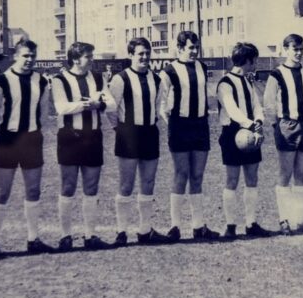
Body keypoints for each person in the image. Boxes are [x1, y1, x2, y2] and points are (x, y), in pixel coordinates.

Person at [0, 39, 54, 257]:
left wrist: (34, 131)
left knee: (33, 190)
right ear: (16, 56)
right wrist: (2, 133)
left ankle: (33, 239)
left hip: (31, 138)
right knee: (2, 191)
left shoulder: (41, 81)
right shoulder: (2, 81)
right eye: (25, 55)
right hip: (7, 139)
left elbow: (44, 112)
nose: (29, 59)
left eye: (32, 55)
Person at [104, 37, 172, 245]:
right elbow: (111, 109)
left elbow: (159, 106)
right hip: (128, 134)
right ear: (131, 55)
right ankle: (121, 231)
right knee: (126, 184)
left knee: (148, 182)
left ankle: (145, 230)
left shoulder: (156, 79)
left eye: (147, 53)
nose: (144, 57)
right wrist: (119, 129)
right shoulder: (121, 78)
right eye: (140, 53)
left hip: (149, 133)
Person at [158, 31, 219, 241]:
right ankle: (175, 226)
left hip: (200, 125)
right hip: (180, 126)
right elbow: (161, 103)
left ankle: (198, 226)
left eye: (196, 47)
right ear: (180, 48)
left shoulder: (202, 67)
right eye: (190, 47)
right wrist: (173, 123)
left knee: (197, 176)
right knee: (181, 174)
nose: (194, 51)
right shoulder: (169, 71)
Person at [263, 34, 303, 235]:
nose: (298, 53)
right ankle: (284, 219)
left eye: (301, 49)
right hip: (286, 125)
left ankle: (300, 219)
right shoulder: (277, 74)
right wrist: (277, 125)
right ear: (286, 49)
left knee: (301, 174)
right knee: (285, 173)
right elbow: (269, 103)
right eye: (294, 49)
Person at [53, 42, 111, 250]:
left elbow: (111, 104)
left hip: (93, 137)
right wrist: (87, 104)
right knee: (68, 187)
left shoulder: (98, 78)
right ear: (76, 59)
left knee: (91, 187)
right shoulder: (60, 80)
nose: (92, 60)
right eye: (88, 56)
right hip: (70, 138)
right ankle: (65, 236)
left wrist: (99, 104)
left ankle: (90, 235)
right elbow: (61, 108)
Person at [217, 42, 271, 239]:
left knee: (252, 178)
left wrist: (258, 121)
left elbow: (257, 105)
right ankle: (230, 226)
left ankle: (251, 223)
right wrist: (250, 124)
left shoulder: (248, 81)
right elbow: (232, 110)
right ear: (247, 60)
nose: (256, 63)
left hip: (251, 132)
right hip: (232, 134)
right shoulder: (225, 83)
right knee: (232, 180)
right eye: (254, 60)